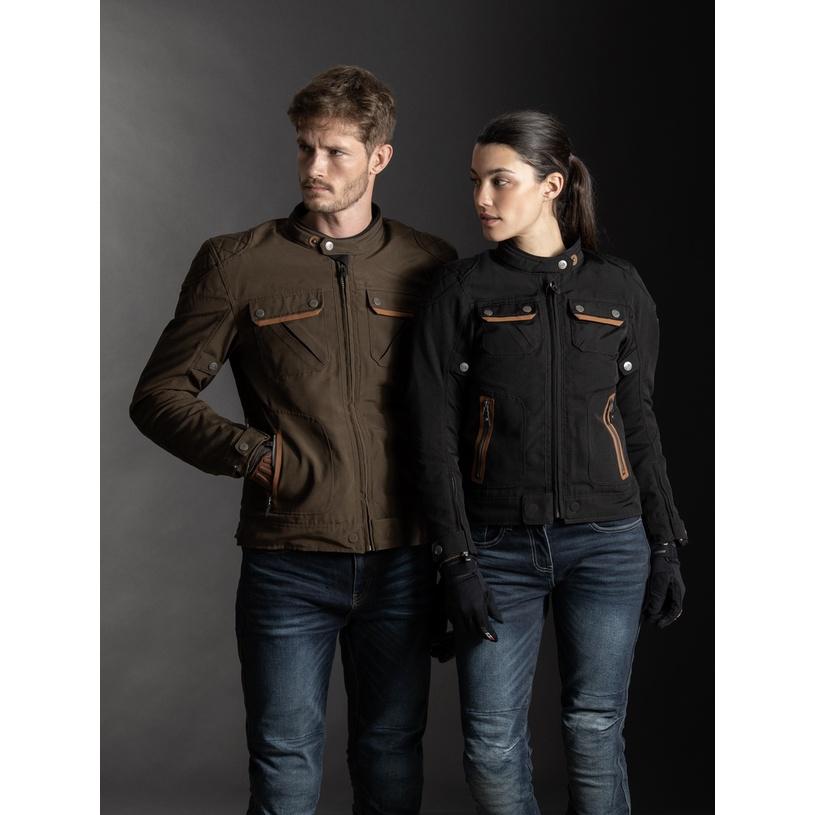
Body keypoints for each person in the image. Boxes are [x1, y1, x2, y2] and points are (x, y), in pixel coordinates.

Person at [129, 65, 456, 815]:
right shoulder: (238, 262)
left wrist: (458, 550)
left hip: (404, 561)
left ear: (379, 157)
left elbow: (457, 409)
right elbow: (157, 396)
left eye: (336, 152)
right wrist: (258, 456)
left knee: (390, 755)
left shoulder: (430, 264)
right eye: (305, 147)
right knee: (283, 760)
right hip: (288, 564)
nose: (314, 167)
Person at [407, 110, 687, 815]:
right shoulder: (460, 291)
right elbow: (432, 438)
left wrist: (663, 542)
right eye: (475, 181)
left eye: (500, 181)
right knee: (492, 744)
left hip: (609, 544)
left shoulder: (619, 289)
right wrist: (454, 560)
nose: (481, 198)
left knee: (594, 729)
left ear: (551, 185)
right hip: (496, 548)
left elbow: (639, 422)